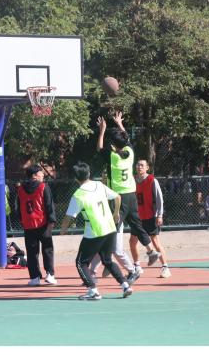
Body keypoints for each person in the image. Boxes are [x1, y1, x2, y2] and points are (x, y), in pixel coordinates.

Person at [96, 111, 161, 281]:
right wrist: (119, 123)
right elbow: (126, 140)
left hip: (119, 198)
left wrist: (102, 131)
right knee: (136, 224)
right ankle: (150, 250)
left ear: (114, 146)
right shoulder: (130, 153)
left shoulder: (113, 158)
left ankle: (110, 262)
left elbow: (99, 148)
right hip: (132, 195)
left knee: (112, 230)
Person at [60, 161, 133, 301]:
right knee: (107, 260)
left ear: (76, 178)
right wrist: (116, 213)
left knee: (81, 263)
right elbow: (118, 197)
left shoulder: (78, 195)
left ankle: (93, 291)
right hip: (110, 228)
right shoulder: (99, 185)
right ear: (89, 173)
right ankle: (125, 285)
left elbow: (69, 217)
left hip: (94, 232)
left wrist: (63, 230)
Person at [129, 159, 171, 278]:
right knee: (132, 241)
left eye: (142, 165)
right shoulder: (132, 180)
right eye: (138, 165)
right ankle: (137, 266)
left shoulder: (152, 180)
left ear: (147, 168)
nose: (139, 167)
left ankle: (165, 267)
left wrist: (160, 214)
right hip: (137, 217)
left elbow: (159, 199)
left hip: (150, 216)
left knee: (155, 242)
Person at [17, 165, 57, 286]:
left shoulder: (20, 189)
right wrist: (52, 220)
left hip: (28, 224)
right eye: (41, 172)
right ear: (34, 175)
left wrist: (21, 220)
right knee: (47, 249)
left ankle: (35, 277)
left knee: (31, 252)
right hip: (43, 223)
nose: (43, 174)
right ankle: (50, 274)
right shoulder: (43, 186)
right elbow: (49, 204)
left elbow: (18, 207)